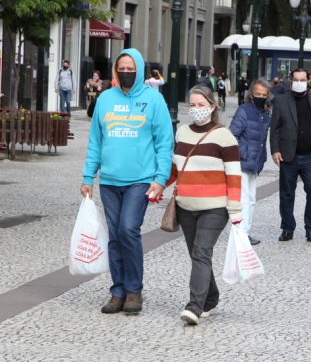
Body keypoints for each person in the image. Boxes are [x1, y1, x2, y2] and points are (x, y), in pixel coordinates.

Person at [81, 48, 174, 314]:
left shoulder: (154, 101)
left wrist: (160, 178)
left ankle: (134, 291)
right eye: (120, 68)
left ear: (140, 69)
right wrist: (89, 176)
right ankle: (118, 292)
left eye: (130, 68)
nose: (125, 72)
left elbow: (165, 143)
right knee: (114, 237)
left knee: (128, 230)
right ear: (115, 70)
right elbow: (95, 142)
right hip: (109, 181)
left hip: (140, 180)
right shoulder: (105, 99)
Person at [165, 85, 242, 325]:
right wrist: (157, 184)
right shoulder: (181, 133)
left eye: (201, 104)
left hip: (214, 208)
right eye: (192, 104)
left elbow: (234, 175)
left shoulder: (224, 136)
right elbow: (176, 169)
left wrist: (235, 209)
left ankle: (194, 307)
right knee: (197, 255)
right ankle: (211, 297)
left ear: (212, 106)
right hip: (185, 206)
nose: (196, 109)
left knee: (201, 252)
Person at [269, 68, 311, 242]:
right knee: (286, 193)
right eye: (296, 79)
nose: (299, 82)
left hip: (310, 156)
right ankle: (287, 228)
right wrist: (275, 150)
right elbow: (275, 128)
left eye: (302, 79)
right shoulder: (281, 101)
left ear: (308, 81)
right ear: (291, 80)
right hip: (289, 155)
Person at [229, 78, 271, 246]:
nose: (261, 97)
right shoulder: (244, 111)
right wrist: (245, 153)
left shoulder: (264, 113)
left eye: (264, 94)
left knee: (251, 199)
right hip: (243, 162)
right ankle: (242, 233)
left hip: (254, 163)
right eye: (258, 94)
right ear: (251, 95)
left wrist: (262, 156)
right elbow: (232, 136)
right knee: (244, 200)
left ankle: (245, 231)